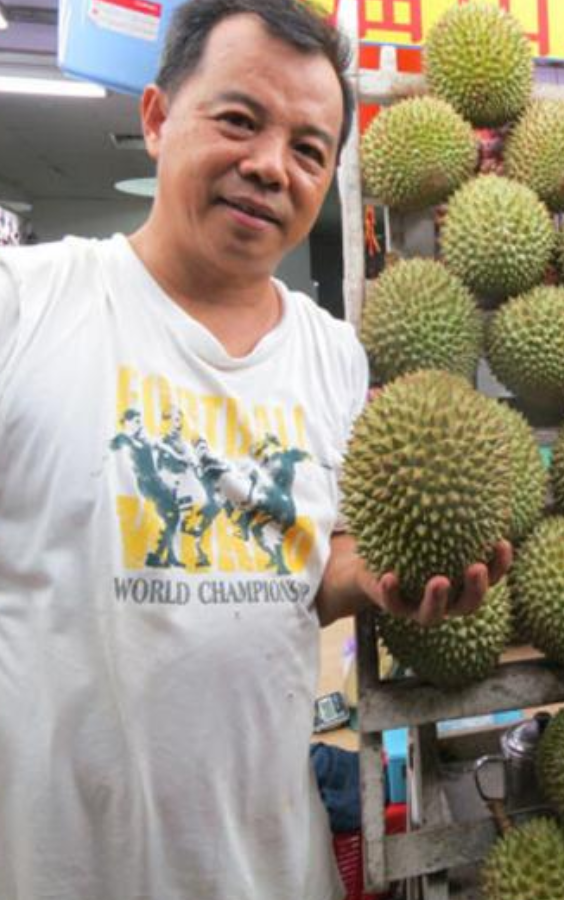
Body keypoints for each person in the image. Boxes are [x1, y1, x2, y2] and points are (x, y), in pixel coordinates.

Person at [0, 0, 509, 897]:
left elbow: (306, 566)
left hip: (271, 865)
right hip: (59, 866)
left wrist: (377, 583)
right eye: (239, 120)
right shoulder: (24, 306)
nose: (271, 165)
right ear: (157, 119)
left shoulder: (334, 357)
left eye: (309, 149)